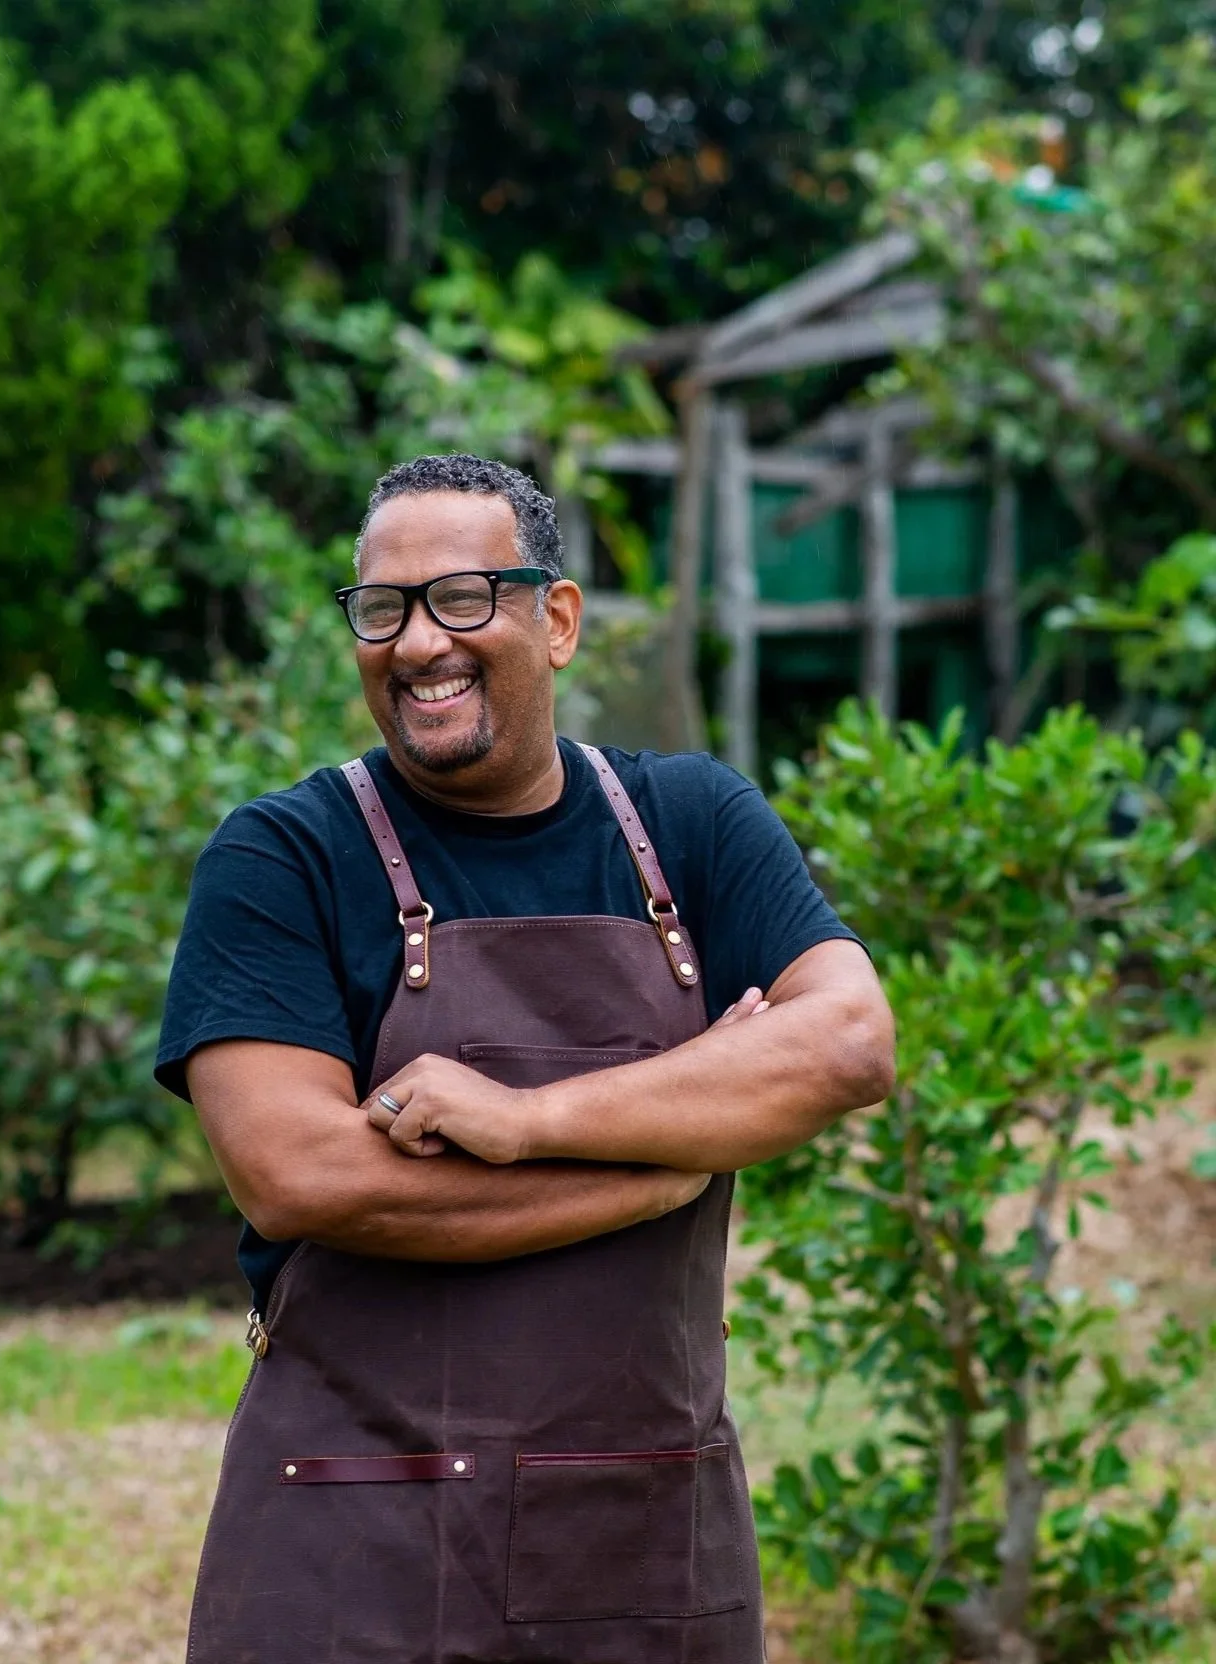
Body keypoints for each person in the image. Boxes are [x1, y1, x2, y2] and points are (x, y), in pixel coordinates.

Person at [156, 452, 895, 1664]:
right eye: (381, 608)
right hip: (353, 1540)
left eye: (460, 597)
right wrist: (659, 1165)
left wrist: (529, 1118)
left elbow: (850, 1040)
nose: (414, 643)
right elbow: (300, 1173)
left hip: (639, 1533)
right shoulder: (283, 857)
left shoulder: (692, 823)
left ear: (554, 619)